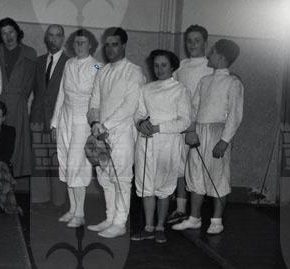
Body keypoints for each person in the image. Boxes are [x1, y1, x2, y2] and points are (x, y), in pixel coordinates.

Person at [173, 39, 243, 235]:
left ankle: (217, 220)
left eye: (212, 52)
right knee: (195, 173)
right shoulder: (204, 81)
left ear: (220, 57)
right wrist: (191, 131)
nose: (209, 55)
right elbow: (194, 108)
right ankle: (194, 218)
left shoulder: (233, 83)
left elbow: (235, 115)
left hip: (218, 133)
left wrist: (224, 141)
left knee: (218, 176)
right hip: (199, 132)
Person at [87, 27, 145, 238]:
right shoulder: (102, 71)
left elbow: (130, 105)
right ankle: (110, 218)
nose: (110, 49)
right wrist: (95, 122)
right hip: (101, 133)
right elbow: (94, 101)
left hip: (122, 133)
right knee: (105, 177)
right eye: (107, 45)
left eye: (115, 44)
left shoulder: (134, 71)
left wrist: (105, 125)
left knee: (121, 178)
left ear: (123, 45)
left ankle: (120, 223)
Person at [131, 50, 191, 244]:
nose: (159, 69)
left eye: (163, 65)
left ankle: (160, 227)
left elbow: (184, 121)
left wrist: (159, 127)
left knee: (164, 187)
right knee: (146, 186)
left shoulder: (180, 89)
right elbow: (139, 113)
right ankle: (148, 227)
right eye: (156, 65)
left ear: (172, 67)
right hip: (147, 142)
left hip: (168, 144)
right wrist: (141, 123)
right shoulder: (146, 89)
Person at [50, 29, 101, 228]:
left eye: (83, 42)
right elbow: (61, 94)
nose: (79, 46)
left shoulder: (97, 65)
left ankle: (80, 213)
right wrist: (55, 123)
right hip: (66, 117)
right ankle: (72, 209)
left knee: (77, 163)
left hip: (83, 119)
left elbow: (99, 98)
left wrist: (96, 122)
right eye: (76, 42)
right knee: (65, 162)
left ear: (91, 45)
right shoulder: (69, 63)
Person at [168, 24, 213, 225]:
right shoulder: (181, 66)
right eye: (189, 41)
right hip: (180, 124)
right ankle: (180, 210)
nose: (192, 44)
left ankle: (196, 215)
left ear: (205, 42)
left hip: (200, 126)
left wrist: (194, 126)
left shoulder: (211, 67)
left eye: (197, 41)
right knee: (179, 168)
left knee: (196, 170)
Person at [0, 18, 37, 179]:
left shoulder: (29, 53)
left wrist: (19, 99)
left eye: (11, 32)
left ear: (17, 32)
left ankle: (10, 180)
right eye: (4, 33)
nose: (8, 36)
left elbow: (30, 83)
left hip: (17, 104)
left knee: (15, 142)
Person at [30, 24, 69, 205]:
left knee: (57, 159)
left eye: (57, 35)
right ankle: (39, 197)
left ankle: (59, 200)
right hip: (37, 116)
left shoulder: (70, 63)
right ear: (46, 38)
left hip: (58, 117)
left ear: (63, 39)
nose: (53, 39)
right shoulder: (38, 62)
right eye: (51, 35)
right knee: (38, 158)